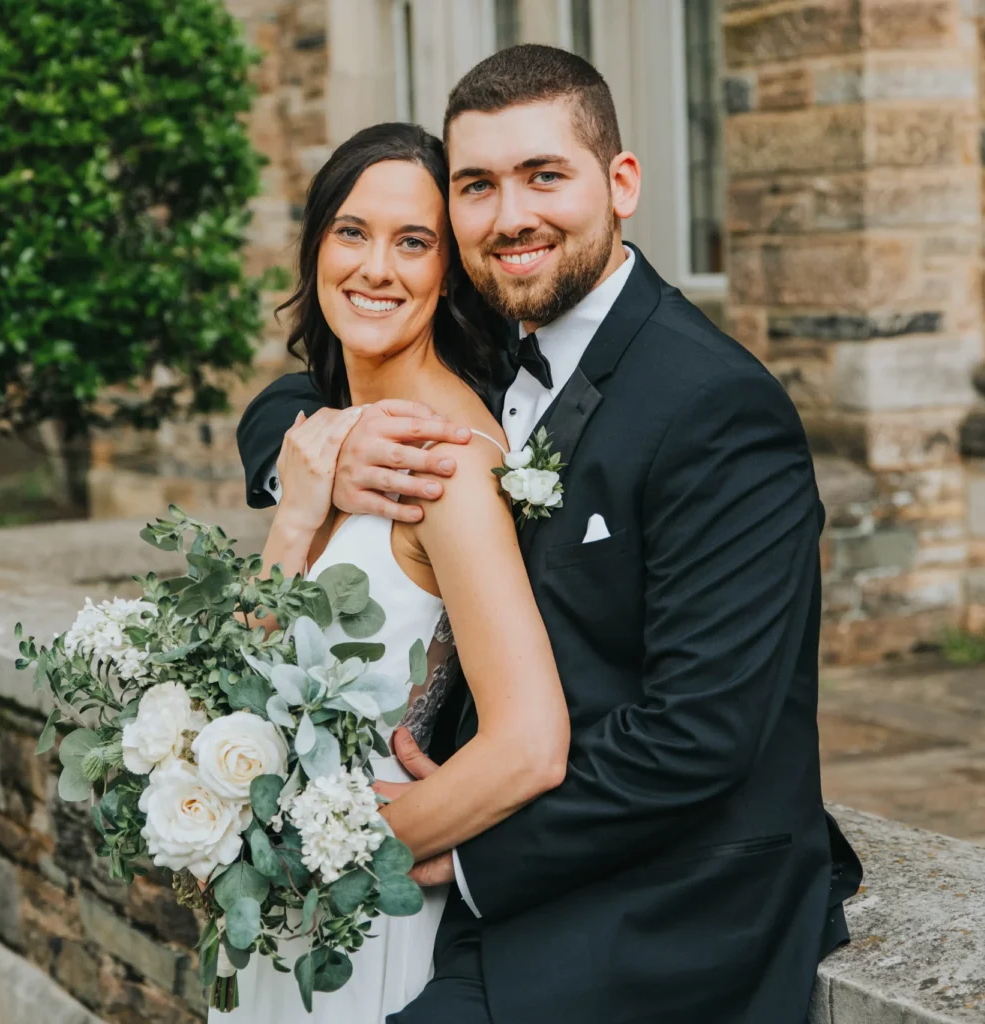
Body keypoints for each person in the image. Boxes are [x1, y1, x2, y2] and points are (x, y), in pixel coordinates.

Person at [238, 45, 862, 1024]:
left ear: (621, 182)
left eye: (544, 176)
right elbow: (304, 383)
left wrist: (449, 843)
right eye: (478, 186)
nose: (510, 215)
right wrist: (313, 452)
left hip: (660, 899)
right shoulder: (492, 357)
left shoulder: (716, 405)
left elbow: (700, 733)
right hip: (499, 868)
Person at [223, 121, 571, 1022]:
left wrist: (336, 848)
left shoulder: (445, 462)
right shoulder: (325, 437)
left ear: (447, 271)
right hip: (280, 911)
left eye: (412, 242)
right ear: (314, 249)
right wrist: (298, 507)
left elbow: (529, 742)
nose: (376, 267)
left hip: (372, 911)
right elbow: (249, 679)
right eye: (352, 232)